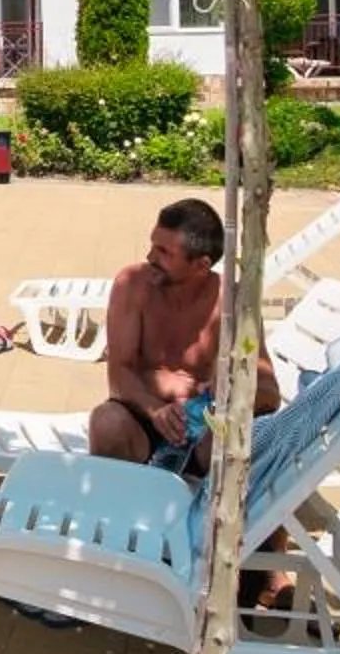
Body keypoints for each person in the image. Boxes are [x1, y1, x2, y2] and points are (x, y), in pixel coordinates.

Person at [89, 198, 281, 469]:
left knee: (236, 437)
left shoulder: (233, 304)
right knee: (106, 422)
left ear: (201, 266)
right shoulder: (132, 285)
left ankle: (205, 505)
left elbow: (268, 392)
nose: (150, 257)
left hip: (202, 430)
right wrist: (155, 409)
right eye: (153, 245)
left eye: (164, 252)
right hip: (142, 415)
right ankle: (111, 504)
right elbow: (119, 375)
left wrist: (229, 389)